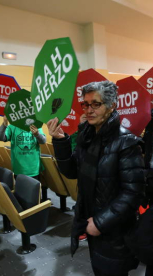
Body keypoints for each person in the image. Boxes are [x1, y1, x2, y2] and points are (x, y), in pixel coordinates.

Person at [47, 80, 145, 276]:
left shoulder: (126, 143)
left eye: (96, 104)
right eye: (85, 104)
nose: (89, 110)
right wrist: (60, 141)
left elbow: (133, 193)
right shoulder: (87, 136)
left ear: (111, 106)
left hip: (114, 229)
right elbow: (72, 172)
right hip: (90, 221)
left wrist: (101, 222)